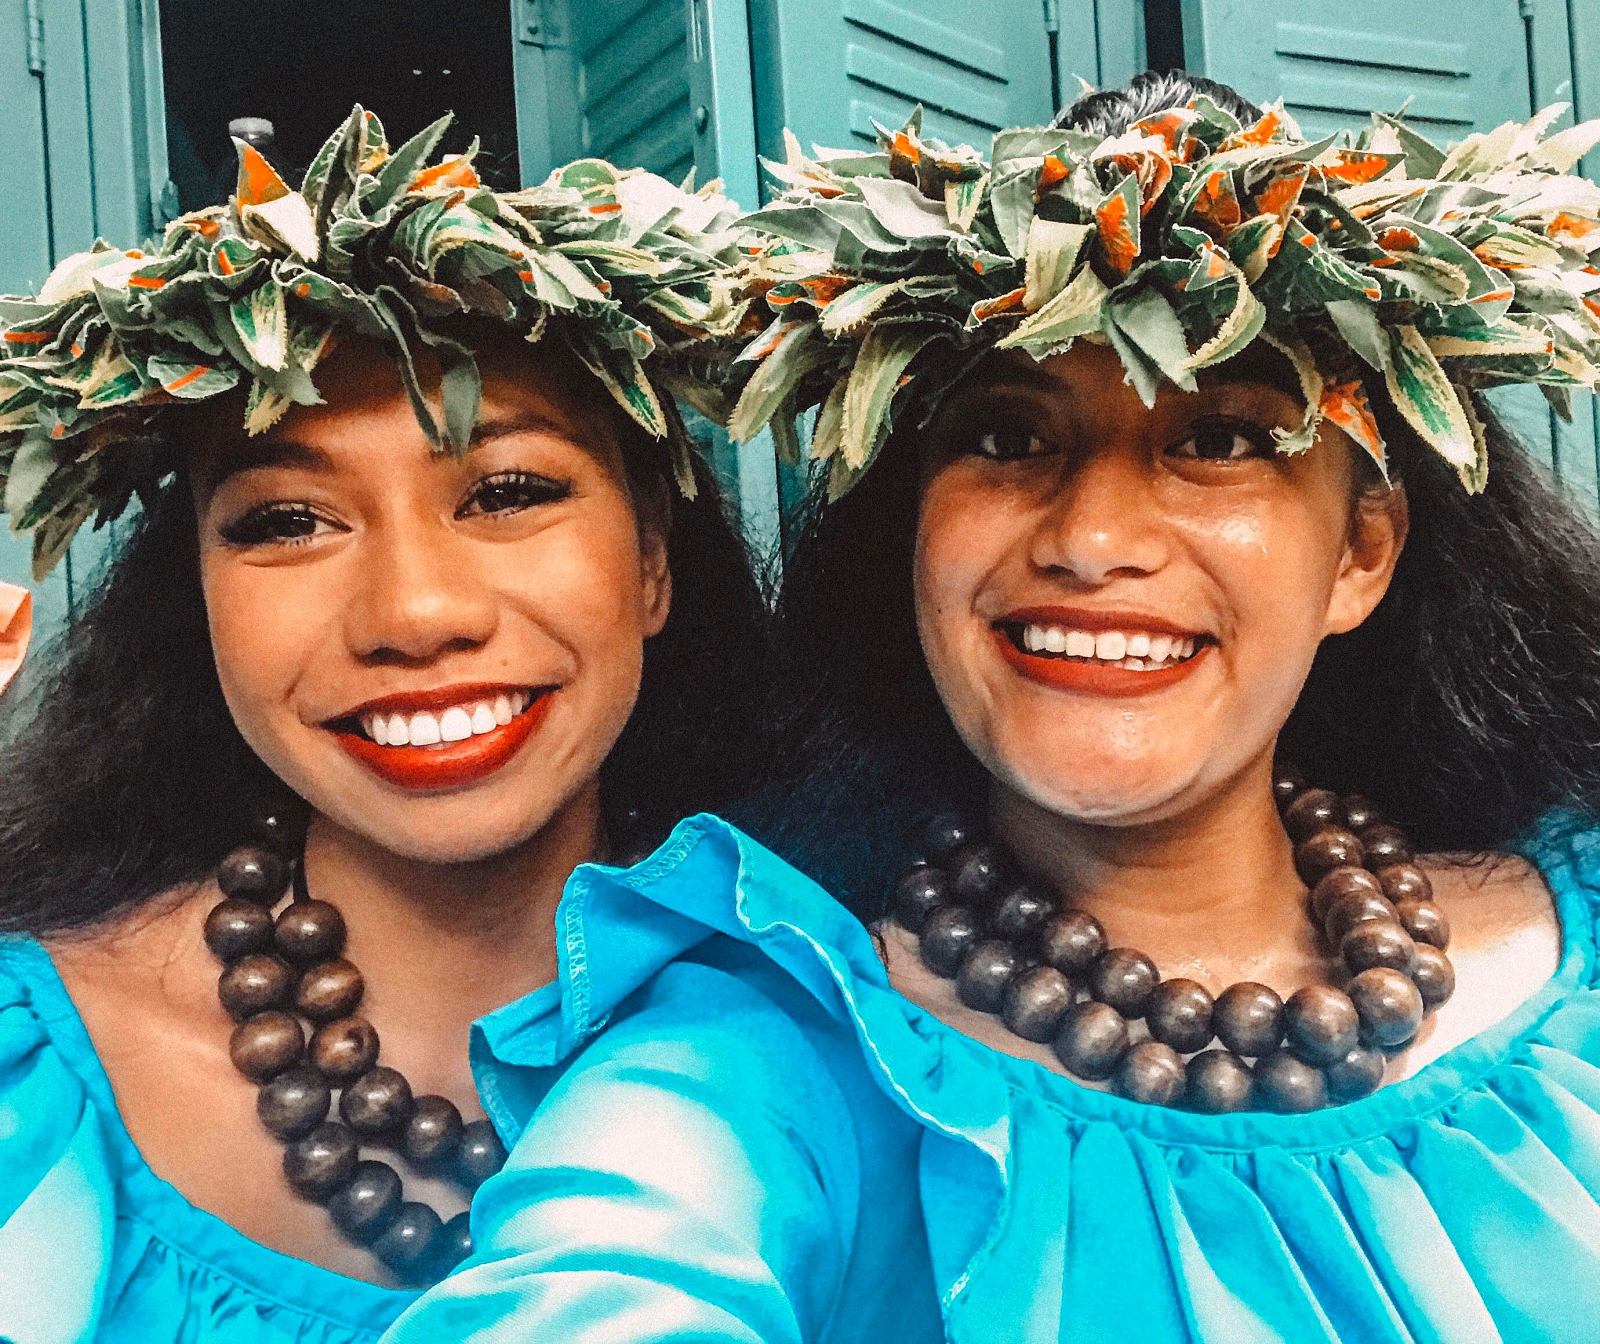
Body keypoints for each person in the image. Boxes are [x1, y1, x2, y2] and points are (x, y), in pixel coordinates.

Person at [381, 73, 1600, 1342]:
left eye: (1221, 440)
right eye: (1008, 440)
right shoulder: (764, 1060)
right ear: (910, 529)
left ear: (1359, 553)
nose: (1092, 537)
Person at [0, 105, 766, 1342]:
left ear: (653, 566)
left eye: (506, 493)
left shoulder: (875, 1047)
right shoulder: (28, 1070)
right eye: (286, 520)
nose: (414, 615)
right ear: (196, 600)